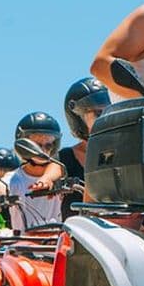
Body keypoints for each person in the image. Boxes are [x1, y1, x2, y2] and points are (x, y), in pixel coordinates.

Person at [0, 112, 64, 232]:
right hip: (24, 245)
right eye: (37, 145)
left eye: (49, 145)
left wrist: (46, 179)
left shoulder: (58, 170)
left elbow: (56, 169)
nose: (44, 150)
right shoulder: (14, 177)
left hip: (56, 244)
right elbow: (3, 187)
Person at [59, 77, 111, 218]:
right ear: (78, 118)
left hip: (125, 233)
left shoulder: (127, 150)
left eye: (110, 111)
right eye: (98, 113)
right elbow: (49, 172)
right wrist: (46, 181)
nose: (106, 118)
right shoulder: (65, 159)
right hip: (82, 235)